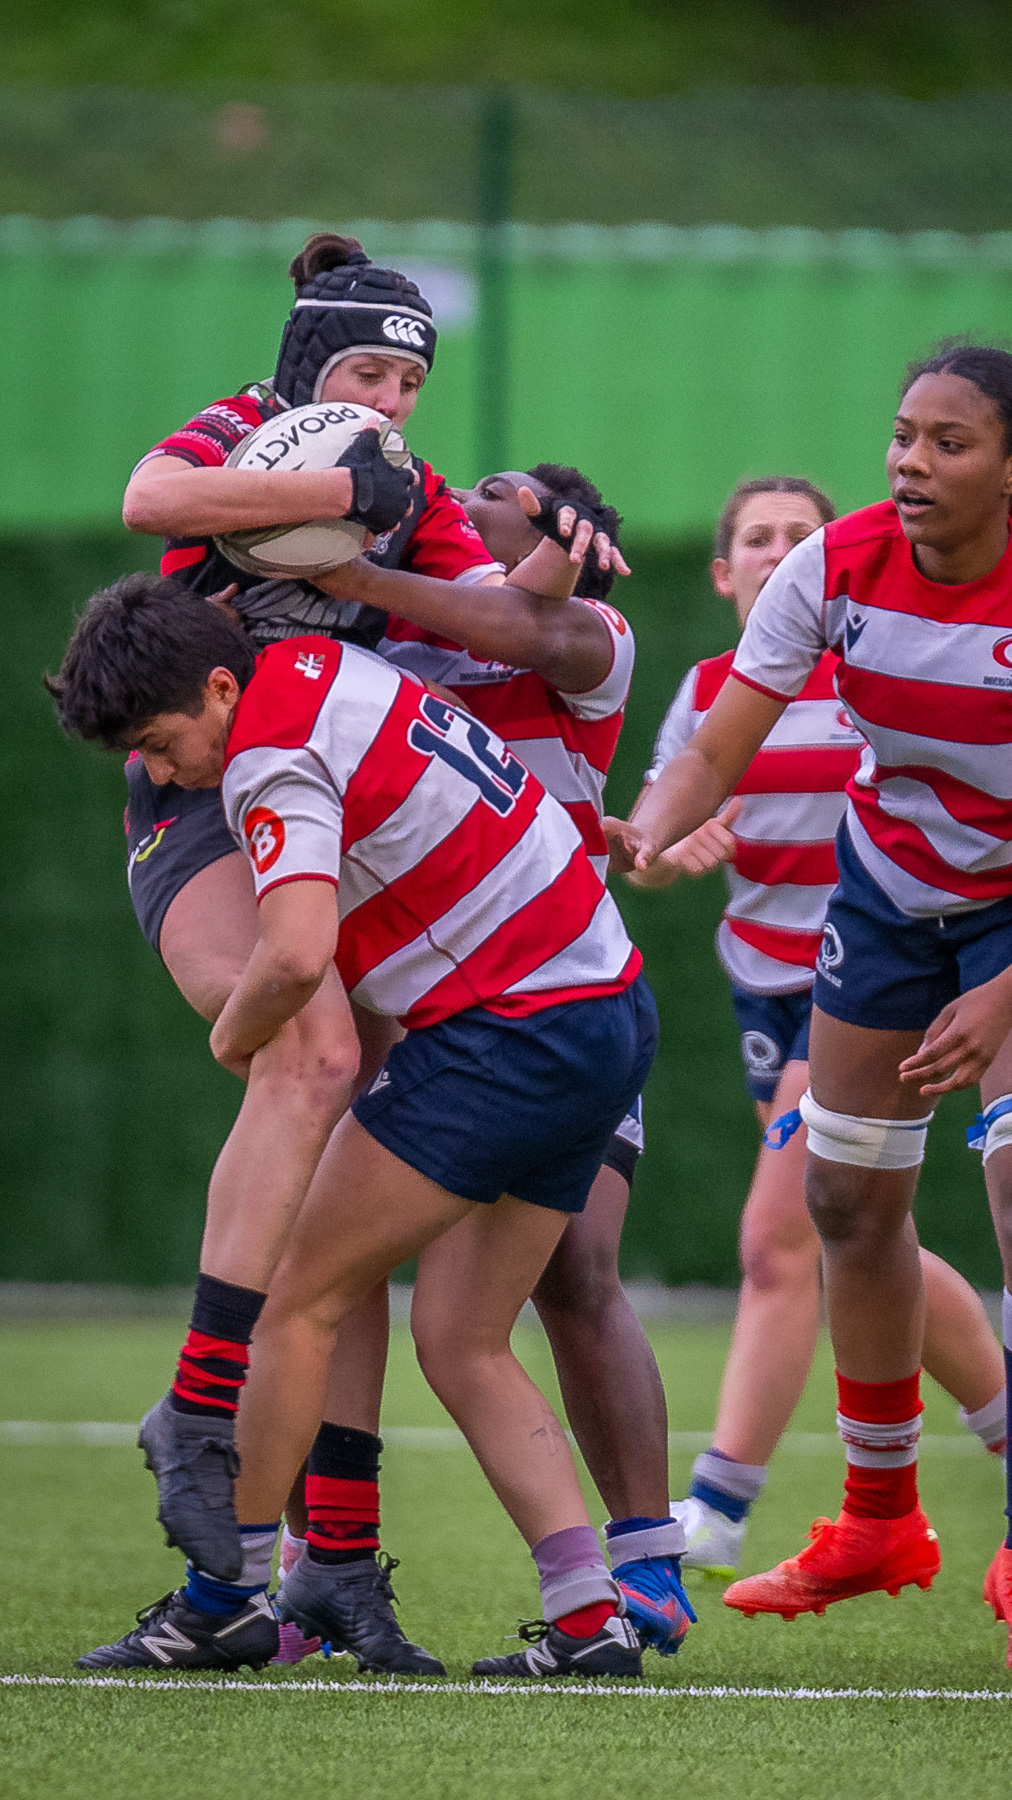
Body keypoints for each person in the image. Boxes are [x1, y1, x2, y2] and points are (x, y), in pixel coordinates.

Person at [611, 343, 1012, 1672]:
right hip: (885, 906)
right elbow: (717, 747)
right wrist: (638, 834)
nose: (907, 462)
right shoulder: (831, 568)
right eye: (900, 436)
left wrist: (1010, 994)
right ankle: (875, 1524)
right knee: (844, 1204)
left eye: (946, 443)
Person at [114, 231, 613, 1584]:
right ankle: (200, 1404)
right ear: (302, 369)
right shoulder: (248, 431)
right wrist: (344, 481)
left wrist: (567, 548)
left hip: (327, 801)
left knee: (345, 1195)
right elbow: (148, 501)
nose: (390, 400)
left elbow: (502, 619)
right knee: (308, 1052)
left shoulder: (415, 490)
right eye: (363, 369)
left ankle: (333, 1560)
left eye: (406, 380)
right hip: (209, 797)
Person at [50, 580, 657, 1678]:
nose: (169, 773)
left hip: (511, 1031)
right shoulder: (333, 672)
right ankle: (585, 1619)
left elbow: (289, 955)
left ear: (219, 686)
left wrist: (232, 1035)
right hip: (606, 1007)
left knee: (293, 1300)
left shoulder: (266, 752)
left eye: (162, 743)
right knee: (463, 1339)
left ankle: (219, 1600)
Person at [270, 467, 694, 1663]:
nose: (465, 501)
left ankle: (641, 1563)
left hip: (550, 996)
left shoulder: (583, 632)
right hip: (413, 1003)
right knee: (346, 1280)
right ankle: (326, 1564)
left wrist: (341, 568)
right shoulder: (393, 627)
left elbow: (514, 622)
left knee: (574, 1272)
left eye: (496, 492)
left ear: (559, 526)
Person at [628, 476, 1007, 1577]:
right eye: (757, 536)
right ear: (724, 572)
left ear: (829, 566)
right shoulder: (707, 695)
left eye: (803, 535)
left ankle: (717, 1506)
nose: (780, 549)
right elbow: (656, 826)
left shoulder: (879, 682)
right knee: (860, 1234)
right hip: (765, 992)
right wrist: (662, 851)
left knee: (776, 1239)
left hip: (876, 986)